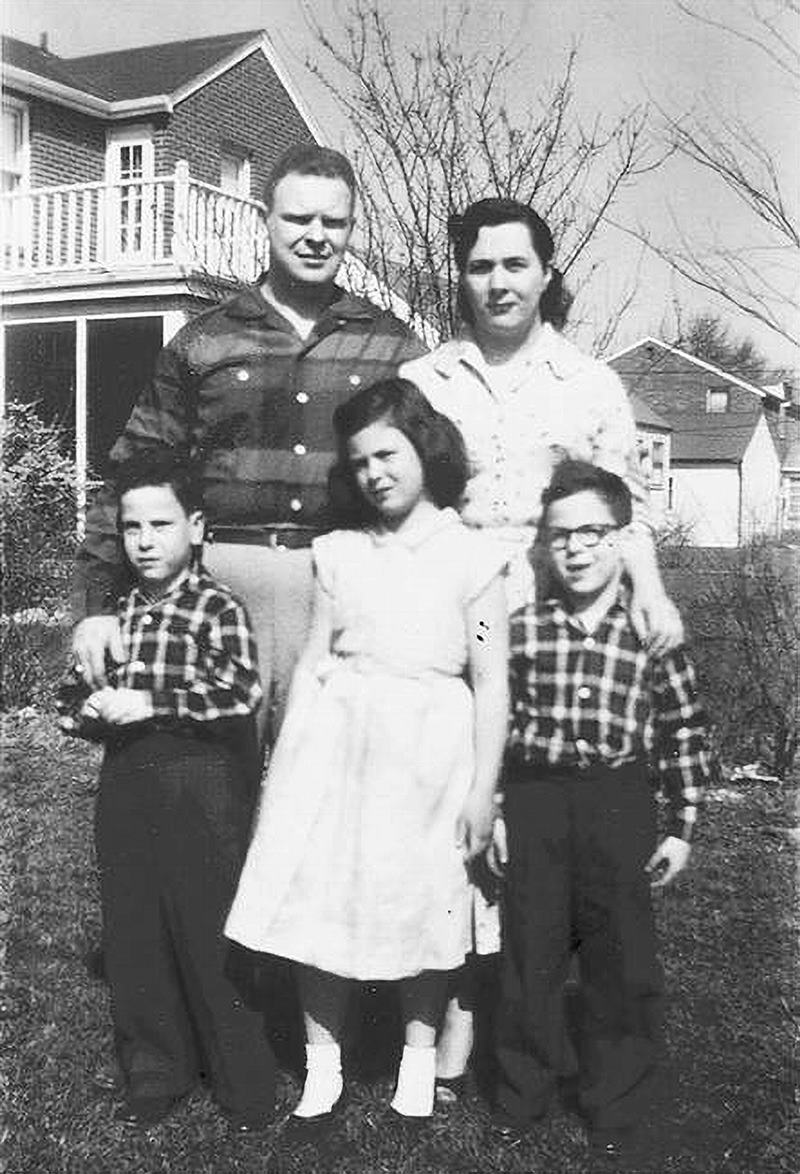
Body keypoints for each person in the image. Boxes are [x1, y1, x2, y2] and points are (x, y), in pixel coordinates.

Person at [401, 197, 684, 1094]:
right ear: (462, 275)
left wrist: (652, 593)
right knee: (454, 807)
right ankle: (447, 1003)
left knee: (526, 818)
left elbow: (626, 512)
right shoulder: (426, 379)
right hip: (448, 613)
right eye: (481, 267)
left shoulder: (590, 384)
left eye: (515, 265)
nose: (498, 283)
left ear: (546, 274)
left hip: (550, 627)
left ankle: (494, 1006)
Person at [71, 143, 425, 749]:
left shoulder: (394, 347)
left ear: (351, 230)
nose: (316, 236)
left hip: (343, 594)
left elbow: (430, 488)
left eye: (333, 222)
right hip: (217, 595)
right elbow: (134, 473)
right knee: (211, 795)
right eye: (297, 219)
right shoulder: (205, 340)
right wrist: (97, 605)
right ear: (266, 219)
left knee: (325, 803)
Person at [224, 379, 509, 1129]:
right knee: (321, 900)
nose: (375, 472)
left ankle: (418, 1059)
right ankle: (325, 1064)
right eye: (359, 462)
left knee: (424, 902)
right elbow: (315, 661)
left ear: (426, 447)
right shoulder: (339, 552)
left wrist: (483, 789)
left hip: (431, 752)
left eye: (389, 453)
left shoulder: (472, 556)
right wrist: (287, 772)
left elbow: (490, 681)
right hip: (337, 748)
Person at [491, 459, 714, 1161]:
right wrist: (496, 808)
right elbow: (495, 729)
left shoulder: (650, 633)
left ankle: (616, 1098)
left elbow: (684, 729)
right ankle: (522, 1091)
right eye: (561, 536)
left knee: (621, 961)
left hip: (617, 803)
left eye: (593, 532)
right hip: (535, 802)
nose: (578, 549)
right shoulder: (520, 630)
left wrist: (682, 826)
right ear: (544, 547)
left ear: (621, 539)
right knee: (530, 954)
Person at [57, 452, 276, 1132]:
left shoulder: (216, 607)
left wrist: (147, 701)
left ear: (197, 528)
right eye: (131, 528)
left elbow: (241, 690)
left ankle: (245, 1080)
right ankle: (156, 1071)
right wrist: (85, 710)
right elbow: (74, 699)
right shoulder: (116, 614)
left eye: (161, 524)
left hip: (201, 783)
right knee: (135, 928)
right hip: (126, 781)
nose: (145, 541)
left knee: (209, 928)